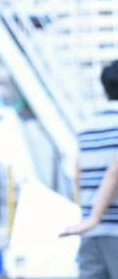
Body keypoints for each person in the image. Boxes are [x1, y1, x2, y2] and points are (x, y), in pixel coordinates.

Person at [60, 60, 118, 279]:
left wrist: (88, 218)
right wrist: (95, 217)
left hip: (89, 232)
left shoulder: (87, 126)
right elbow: (114, 171)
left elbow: (78, 175)